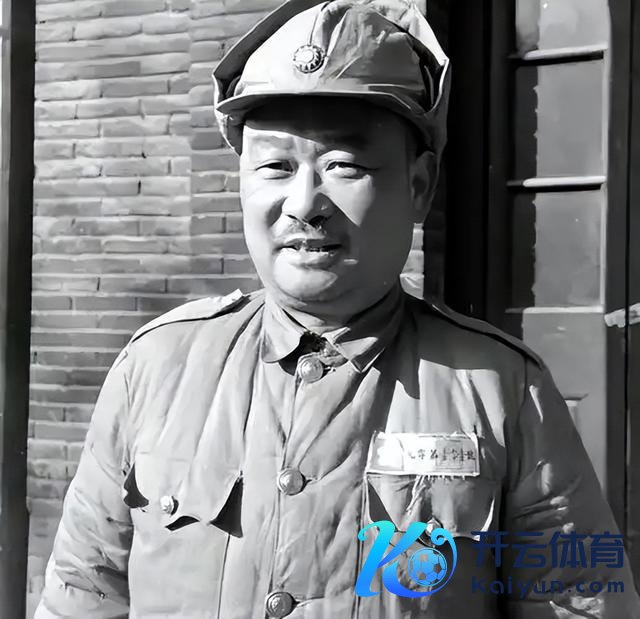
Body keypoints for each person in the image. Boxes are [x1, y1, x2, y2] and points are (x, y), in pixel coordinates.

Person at [36, 1, 640, 617]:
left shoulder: (501, 387)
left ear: (419, 186)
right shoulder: (156, 366)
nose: (304, 204)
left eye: (344, 165)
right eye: (275, 166)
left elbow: (579, 602)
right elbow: (83, 590)